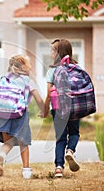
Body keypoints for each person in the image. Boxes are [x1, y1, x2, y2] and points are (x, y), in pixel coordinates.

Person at [0, 54, 45, 179]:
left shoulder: (4, 79)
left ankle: (2, 156)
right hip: (19, 114)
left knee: (8, 142)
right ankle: (26, 171)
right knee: (23, 143)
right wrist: (43, 110)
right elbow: (39, 100)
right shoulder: (28, 81)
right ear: (25, 67)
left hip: (2, 114)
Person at [44, 39, 80, 178]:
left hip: (58, 108)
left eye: (52, 50)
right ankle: (70, 151)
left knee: (60, 138)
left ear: (58, 53)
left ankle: (59, 168)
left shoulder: (52, 70)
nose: (50, 53)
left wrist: (46, 108)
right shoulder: (76, 68)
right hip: (75, 107)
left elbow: (49, 93)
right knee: (74, 133)